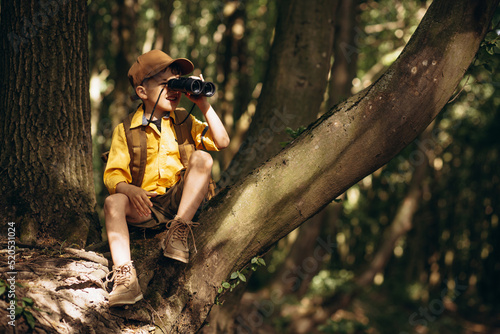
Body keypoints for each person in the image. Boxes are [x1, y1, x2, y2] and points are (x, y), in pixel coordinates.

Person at [103, 49, 230, 307]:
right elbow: (113, 175)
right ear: (142, 92)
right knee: (113, 202)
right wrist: (129, 190)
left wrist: (203, 104)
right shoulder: (125, 130)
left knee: (203, 158)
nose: (173, 90)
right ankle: (125, 280)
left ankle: (178, 233)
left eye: (177, 83)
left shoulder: (184, 119)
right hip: (146, 207)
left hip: (181, 201)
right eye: (166, 84)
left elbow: (222, 141)